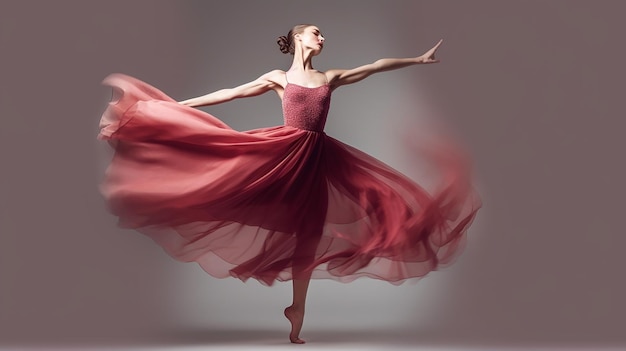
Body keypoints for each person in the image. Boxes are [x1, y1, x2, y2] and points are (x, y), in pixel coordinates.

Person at [98, 24, 481, 344]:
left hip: (320, 159)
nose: (322, 38)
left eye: (322, 35)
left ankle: (297, 308)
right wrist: (181, 107)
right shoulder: (279, 78)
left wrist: (417, 59)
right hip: (284, 153)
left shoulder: (329, 77)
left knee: (310, 231)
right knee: (233, 187)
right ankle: (177, 197)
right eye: (316, 33)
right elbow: (229, 93)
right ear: (298, 38)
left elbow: (376, 65)